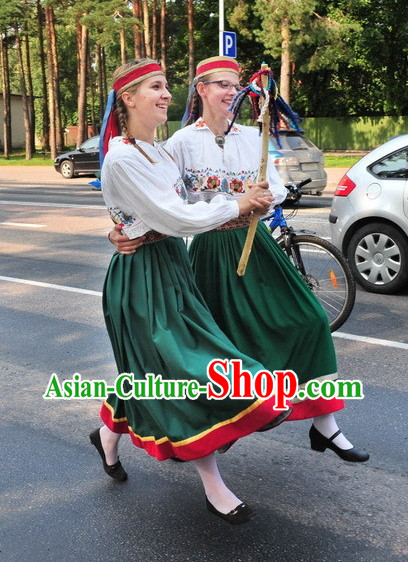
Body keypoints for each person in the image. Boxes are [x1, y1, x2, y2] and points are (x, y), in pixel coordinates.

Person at [110, 56, 369, 463]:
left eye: (237, 86)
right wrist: (118, 230)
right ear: (201, 90)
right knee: (204, 349)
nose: (233, 93)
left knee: (308, 319)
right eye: (222, 85)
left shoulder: (252, 137)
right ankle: (180, 424)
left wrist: (266, 196)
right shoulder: (179, 144)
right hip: (211, 250)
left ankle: (325, 426)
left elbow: (277, 188)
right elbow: (155, 201)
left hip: (257, 242)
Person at [90, 58, 293, 526]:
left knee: (149, 373)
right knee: (183, 366)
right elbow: (175, 217)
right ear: (128, 98)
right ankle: (216, 479)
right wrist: (236, 203)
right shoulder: (121, 157)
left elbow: (184, 205)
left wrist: (248, 199)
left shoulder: (158, 152)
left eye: (166, 87)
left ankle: (107, 435)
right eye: (156, 88)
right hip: (141, 279)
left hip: (171, 266)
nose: (166, 95)